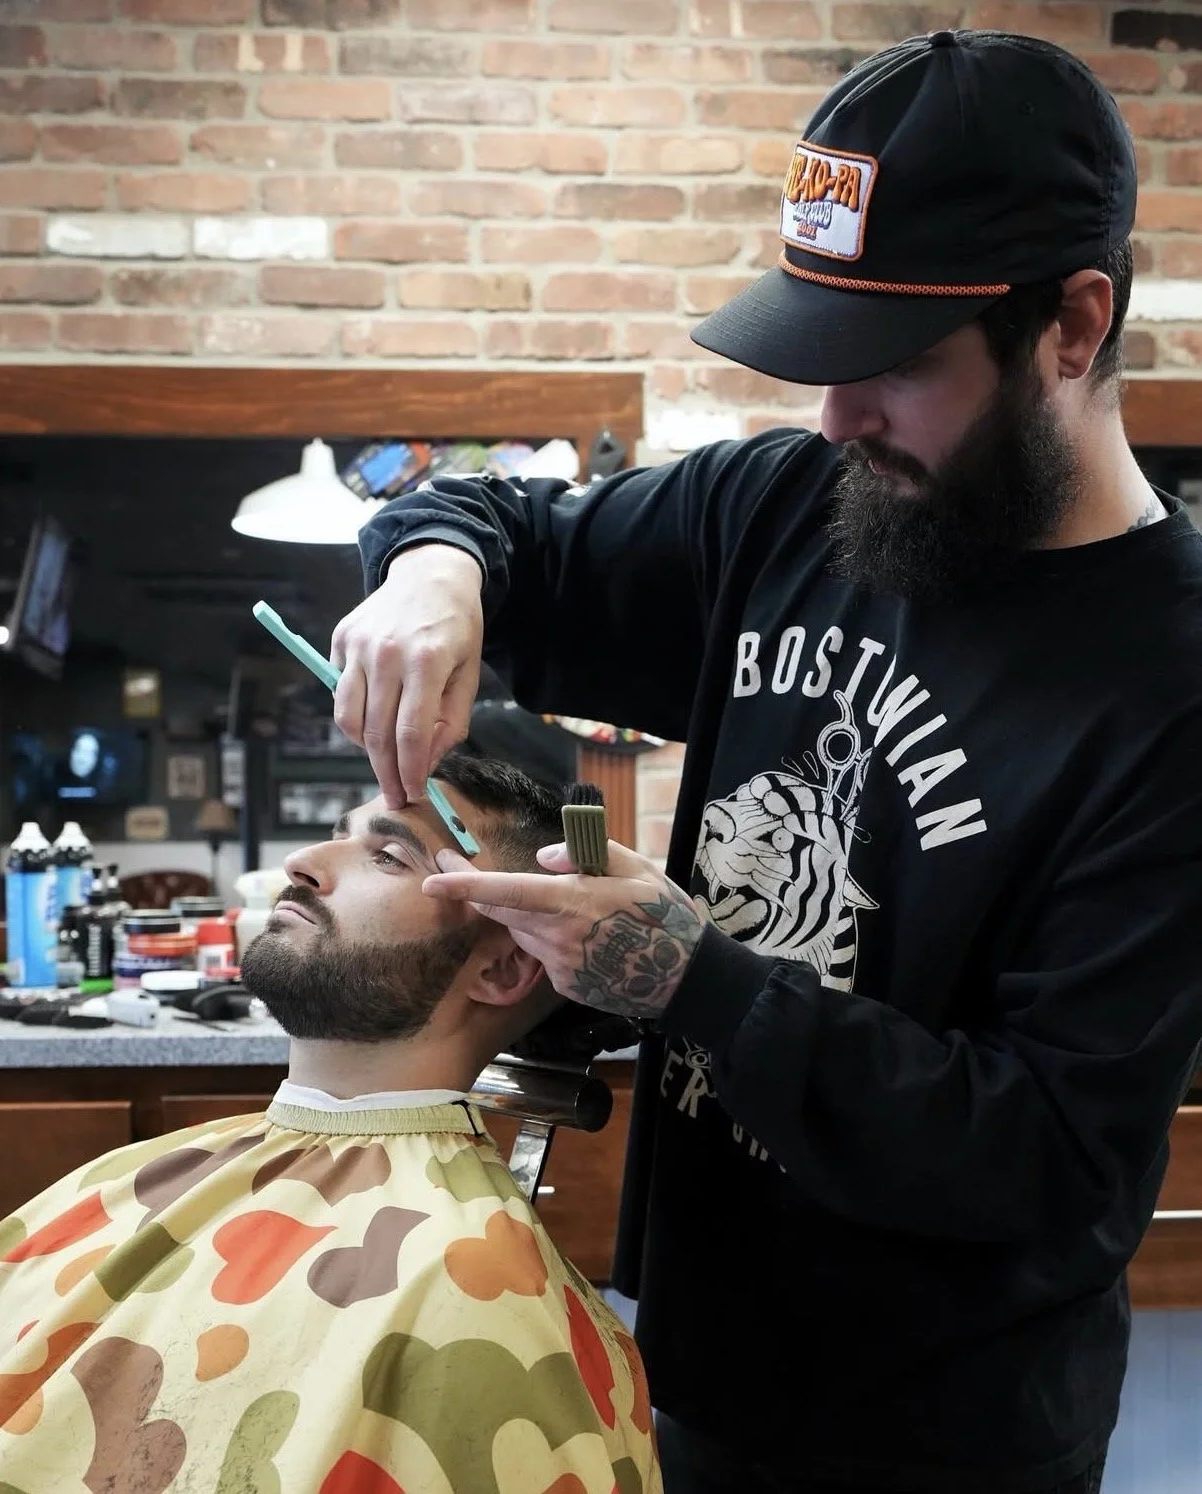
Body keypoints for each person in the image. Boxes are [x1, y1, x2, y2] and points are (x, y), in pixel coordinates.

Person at [328, 28, 1202, 1494]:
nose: (833, 416)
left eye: (891, 368)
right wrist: (431, 573)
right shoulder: (791, 508)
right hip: (687, 1357)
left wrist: (690, 980)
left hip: (949, 1430)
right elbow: (499, 522)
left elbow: (1048, 1154)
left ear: (1070, 324)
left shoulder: (1168, 688)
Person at [0, 755, 660, 1494]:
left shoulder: (471, 1285)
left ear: (502, 971)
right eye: (334, 836)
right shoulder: (138, 1175)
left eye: (387, 855)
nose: (304, 863)